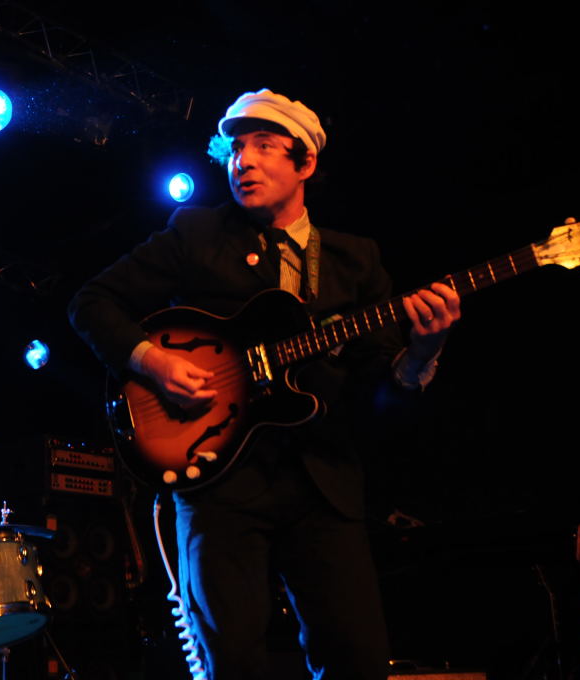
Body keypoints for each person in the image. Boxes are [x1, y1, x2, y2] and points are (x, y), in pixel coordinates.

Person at [68, 89, 460, 679]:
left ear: (306, 163)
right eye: (235, 150)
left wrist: (421, 355)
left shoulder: (356, 259)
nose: (243, 161)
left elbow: (379, 395)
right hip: (218, 478)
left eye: (264, 146)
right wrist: (154, 362)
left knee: (358, 661)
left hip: (323, 481)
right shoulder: (197, 233)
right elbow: (92, 302)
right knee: (233, 662)